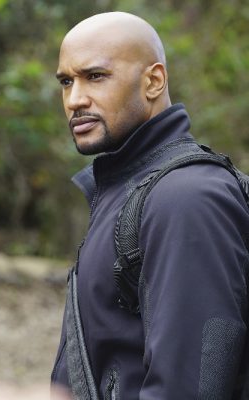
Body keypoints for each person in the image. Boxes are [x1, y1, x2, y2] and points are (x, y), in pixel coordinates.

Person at [51, 11, 249, 399]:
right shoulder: (126, 188)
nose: (75, 99)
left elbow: (190, 388)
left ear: (153, 81)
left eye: (95, 76)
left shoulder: (187, 198)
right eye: (65, 81)